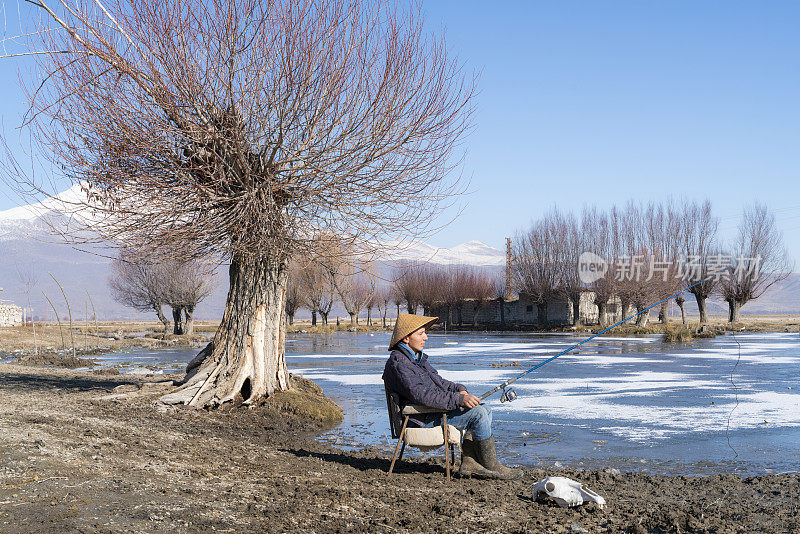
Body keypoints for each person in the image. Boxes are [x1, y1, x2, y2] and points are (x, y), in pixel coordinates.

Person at [382, 313, 520, 479]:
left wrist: (460, 389)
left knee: (484, 409)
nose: (426, 337)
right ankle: (492, 466)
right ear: (406, 338)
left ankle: (469, 462)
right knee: (479, 414)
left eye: (425, 333)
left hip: (428, 414)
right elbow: (423, 396)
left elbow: (440, 383)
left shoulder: (415, 360)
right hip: (419, 420)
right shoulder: (400, 364)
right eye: (420, 333)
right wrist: (459, 400)